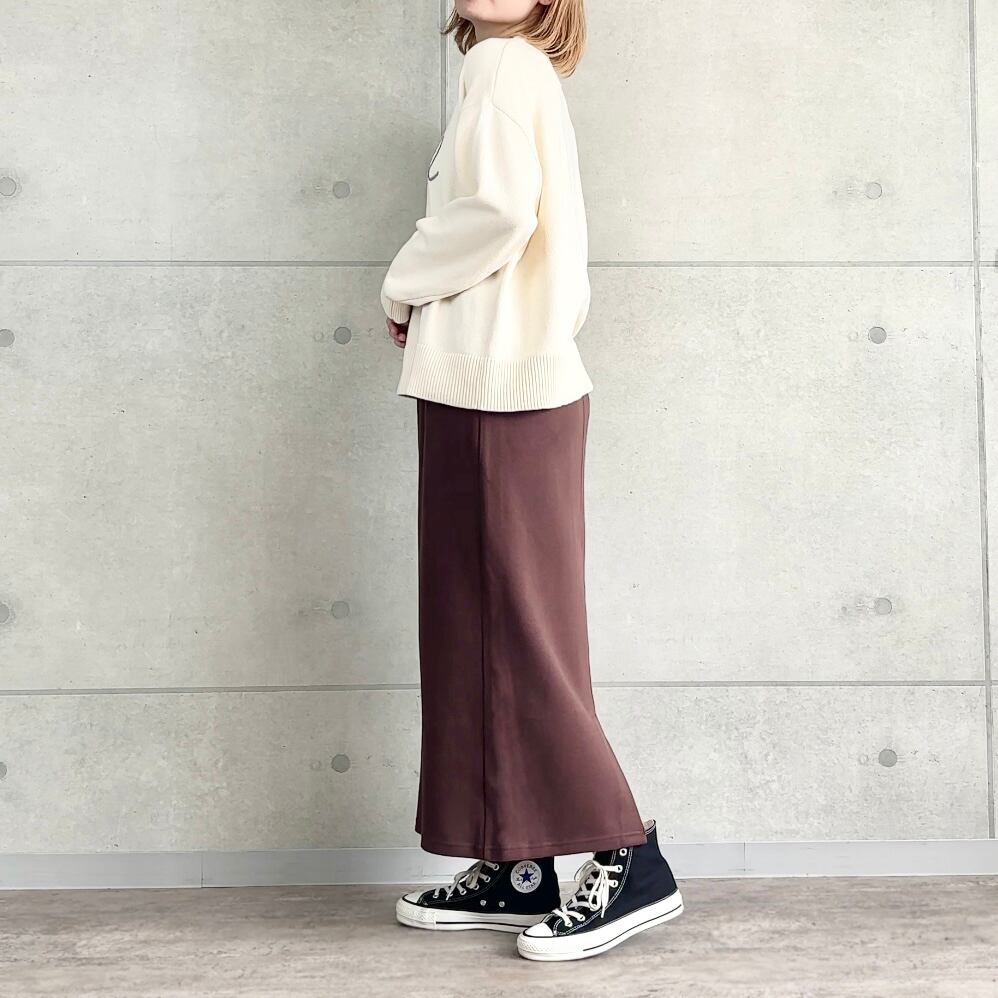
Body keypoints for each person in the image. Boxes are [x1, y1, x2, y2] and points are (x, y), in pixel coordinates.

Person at [379, 0, 684, 962]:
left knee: (517, 631)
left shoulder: (506, 64)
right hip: (495, 386)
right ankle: (516, 862)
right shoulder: (510, 69)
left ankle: (628, 855)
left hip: (500, 393)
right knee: (478, 627)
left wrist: (405, 280)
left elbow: (502, 213)